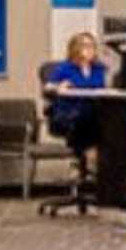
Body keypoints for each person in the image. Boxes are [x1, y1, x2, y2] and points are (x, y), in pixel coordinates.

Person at [39, 32, 109, 190]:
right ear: (75, 48)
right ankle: (86, 159)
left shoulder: (98, 68)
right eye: (84, 45)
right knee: (86, 118)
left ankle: (82, 161)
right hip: (67, 114)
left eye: (91, 46)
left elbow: (103, 88)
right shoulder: (65, 68)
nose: (89, 49)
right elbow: (48, 88)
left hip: (93, 113)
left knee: (106, 120)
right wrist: (59, 86)